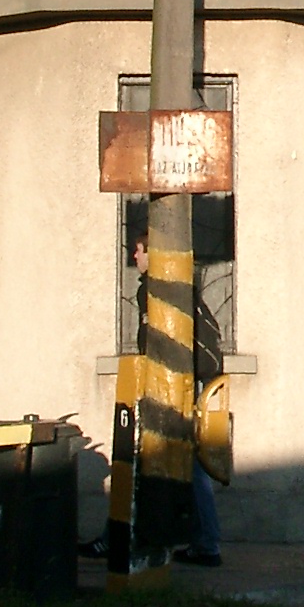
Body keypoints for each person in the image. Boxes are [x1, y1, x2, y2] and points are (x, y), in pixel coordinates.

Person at [87, 235, 225, 566]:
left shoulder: (157, 288)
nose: (134, 257)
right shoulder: (182, 286)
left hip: (170, 387)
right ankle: (200, 542)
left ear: (155, 254)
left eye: (139, 250)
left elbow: (157, 344)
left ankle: (121, 539)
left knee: (150, 458)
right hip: (183, 384)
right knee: (177, 463)